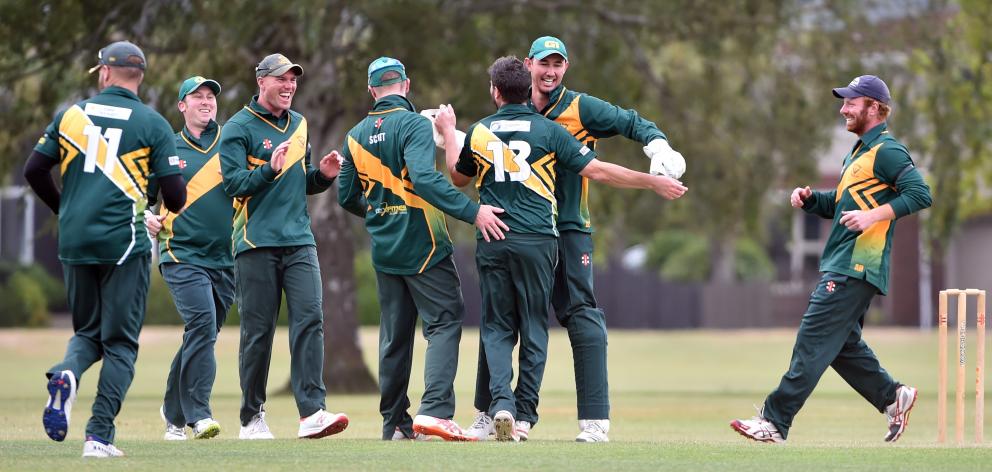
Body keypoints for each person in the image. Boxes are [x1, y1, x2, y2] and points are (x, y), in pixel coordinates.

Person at [434, 56, 686, 442]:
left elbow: (457, 177)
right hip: (538, 238)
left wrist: (451, 135)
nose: (551, 71)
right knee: (531, 325)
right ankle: (516, 417)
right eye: (543, 64)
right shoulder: (547, 131)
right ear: (528, 74)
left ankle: (519, 408)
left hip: (503, 235)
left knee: (502, 325)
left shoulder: (484, 130)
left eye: (558, 63)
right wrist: (651, 183)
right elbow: (598, 170)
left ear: (495, 91)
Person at [730, 75, 932, 444]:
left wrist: (873, 217)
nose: (843, 109)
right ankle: (893, 397)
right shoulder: (857, 153)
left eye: (851, 103)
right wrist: (811, 200)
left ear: (874, 107)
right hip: (842, 260)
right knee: (839, 345)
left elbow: (921, 194)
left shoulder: (887, 151)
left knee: (812, 339)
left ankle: (774, 422)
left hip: (856, 263)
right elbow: (841, 206)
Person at [24, 41, 187, 458]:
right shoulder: (153, 124)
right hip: (123, 242)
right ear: (140, 77)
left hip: (75, 239)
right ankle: (99, 436)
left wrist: (66, 209)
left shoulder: (71, 116)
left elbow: (34, 170)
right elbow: (176, 194)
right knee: (120, 344)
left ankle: (65, 374)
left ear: (105, 73)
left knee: (87, 333)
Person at [337, 57, 509, 441]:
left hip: (385, 249)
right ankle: (435, 411)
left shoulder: (354, 135)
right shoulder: (415, 124)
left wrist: (380, 213)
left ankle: (395, 423)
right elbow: (426, 179)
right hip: (425, 245)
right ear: (407, 85)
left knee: (394, 337)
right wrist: (473, 211)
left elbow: (346, 196)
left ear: (371, 90)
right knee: (445, 319)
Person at [218, 53, 348, 440]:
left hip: (299, 241)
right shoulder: (238, 127)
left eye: (293, 80)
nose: (289, 85)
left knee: (310, 320)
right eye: (281, 79)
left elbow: (296, 183)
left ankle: (312, 412)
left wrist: (321, 177)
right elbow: (234, 185)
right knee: (258, 334)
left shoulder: (300, 124)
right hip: (255, 242)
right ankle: (251, 417)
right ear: (262, 82)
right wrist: (267, 169)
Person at [144, 75, 233, 441]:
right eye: (196, 97)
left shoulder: (231, 142)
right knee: (201, 325)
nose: (205, 101)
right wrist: (143, 215)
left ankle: (172, 412)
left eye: (210, 96)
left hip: (226, 257)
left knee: (203, 333)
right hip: (180, 253)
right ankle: (199, 414)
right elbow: (140, 193)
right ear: (182, 106)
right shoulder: (168, 148)